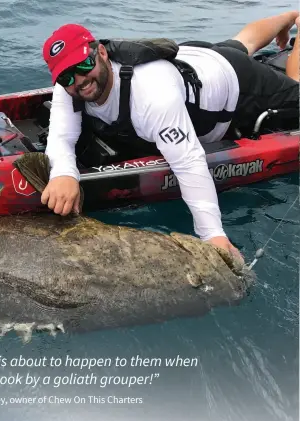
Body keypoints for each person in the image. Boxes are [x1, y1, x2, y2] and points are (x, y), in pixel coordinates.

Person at [41, 12, 300, 259]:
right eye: (65, 76)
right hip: (193, 58)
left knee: (292, 83)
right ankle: (289, 16)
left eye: (85, 64)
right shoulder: (70, 86)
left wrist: (212, 235)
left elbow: (188, 163)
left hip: (235, 83)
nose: (79, 79)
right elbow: (61, 136)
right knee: (243, 42)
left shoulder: (152, 96)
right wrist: (63, 173)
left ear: (101, 52)